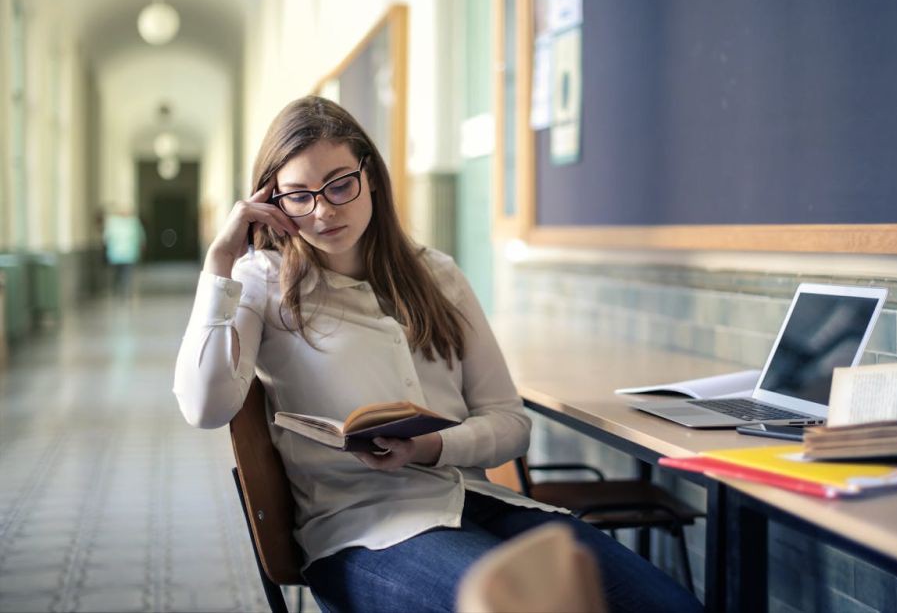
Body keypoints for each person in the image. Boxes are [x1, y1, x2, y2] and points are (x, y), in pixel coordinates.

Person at [172, 95, 702, 613]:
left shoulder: (437, 275)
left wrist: (428, 448)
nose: (324, 211)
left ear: (371, 175)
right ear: (273, 202)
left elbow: (511, 425)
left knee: (669, 605)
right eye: (298, 196)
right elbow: (206, 408)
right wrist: (220, 262)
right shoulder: (261, 282)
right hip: (363, 531)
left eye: (339, 185)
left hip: (476, 504)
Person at [103, 206, 146, 296]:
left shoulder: (130, 222)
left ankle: (122, 288)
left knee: (123, 272)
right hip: (121, 254)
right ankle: (122, 287)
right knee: (121, 272)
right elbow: (142, 237)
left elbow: (106, 238)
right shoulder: (126, 222)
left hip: (122, 254)